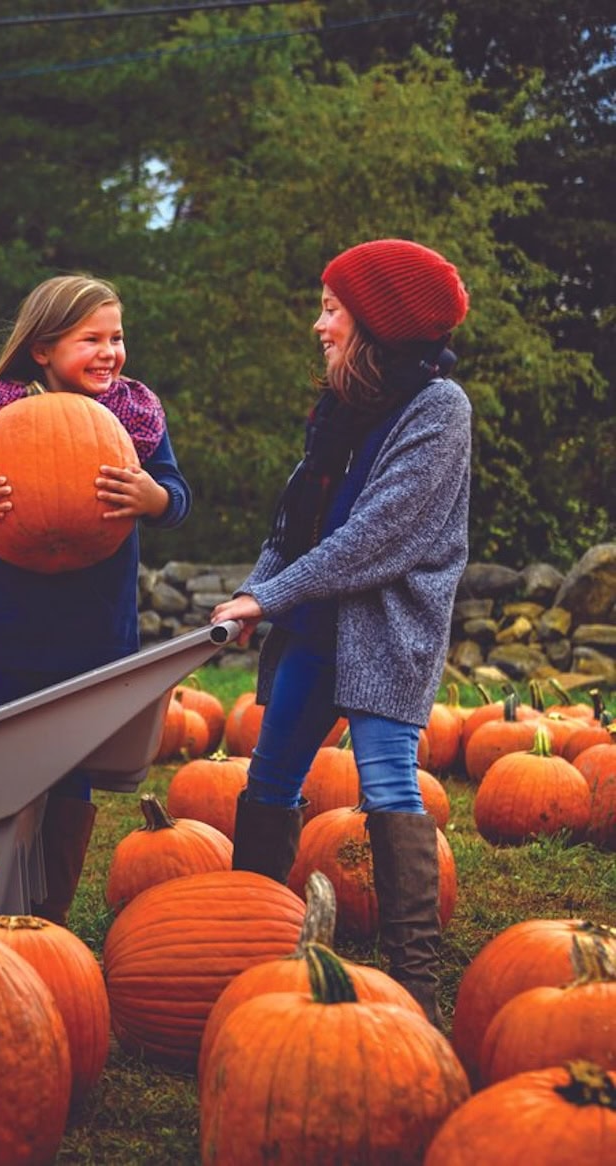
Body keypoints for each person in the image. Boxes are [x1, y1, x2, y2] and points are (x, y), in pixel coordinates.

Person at [210, 239, 472, 1024]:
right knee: (271, 779)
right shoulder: (340, 410)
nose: (318, 326)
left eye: (331, 310)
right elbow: (295, 527)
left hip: (385, 634)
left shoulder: (438, 410)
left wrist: (274, 596)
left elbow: (379, 535)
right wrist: (260, 589)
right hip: (315, 630)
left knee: (390, 782)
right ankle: (248, 952)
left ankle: (415, 992)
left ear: (377, 323)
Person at [0, 274, 191, 925]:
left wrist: (150, 498)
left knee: (70, 774)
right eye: (91, 339)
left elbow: (175, 495)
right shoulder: (3, 413)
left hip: (94, 634)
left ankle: (47, 914)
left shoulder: (135, 415)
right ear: (44, 349)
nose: (110, 351)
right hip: (9, 632)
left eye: (117, 337)